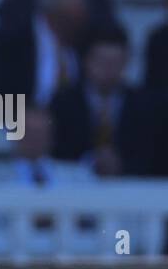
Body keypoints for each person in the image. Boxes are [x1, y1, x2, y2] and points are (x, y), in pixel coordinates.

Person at [50, 24, 155, 177]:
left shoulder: (147, 106)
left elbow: (153, 157)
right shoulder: (62, 103)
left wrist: (122, 166)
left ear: (126, 62)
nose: (108, 70)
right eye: (102, 61)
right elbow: (57, 154)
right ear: (86, 61)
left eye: (116, 63)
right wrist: (89, 164)